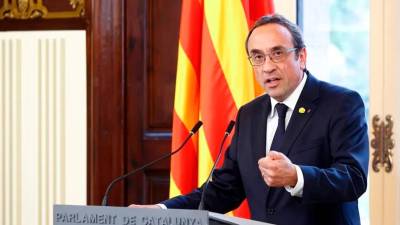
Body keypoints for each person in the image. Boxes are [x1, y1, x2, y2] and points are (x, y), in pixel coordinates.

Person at [130, 14, 369, 225]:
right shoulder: (249, 114)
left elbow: (353, 179)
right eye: (257, 57)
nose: (267, 67)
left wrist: (297, 176)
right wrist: (162, 210)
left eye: (277, 54)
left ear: (302, 56)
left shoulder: (341, 103)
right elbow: (225, 190)